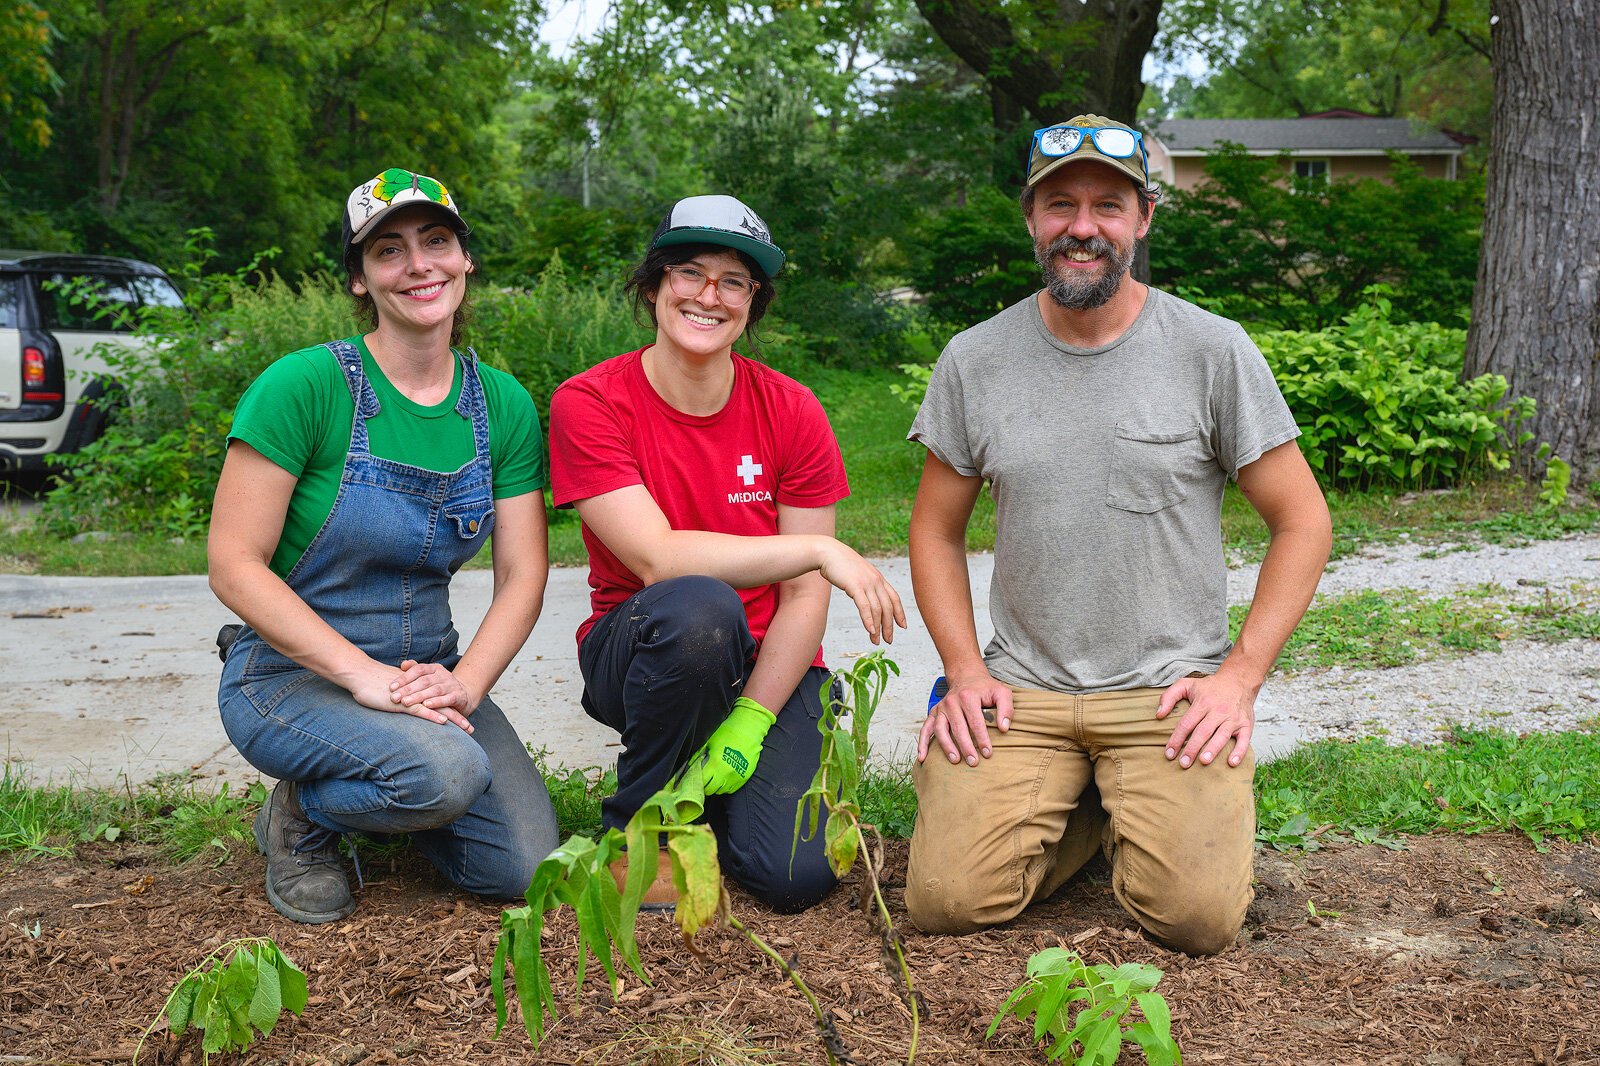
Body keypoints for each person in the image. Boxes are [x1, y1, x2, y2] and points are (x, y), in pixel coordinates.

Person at [905, 116, 1332, 954]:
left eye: (1108, 205)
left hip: (1169, 694)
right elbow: (932, 529)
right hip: (1020, 690)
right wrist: (961, 670)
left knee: (1197, 921)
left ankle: (1110, 798)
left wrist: (1238, 679)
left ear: (1142, 220)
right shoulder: (975, 359)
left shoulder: (1212, 350)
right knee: (947, 903)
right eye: (1060, 204)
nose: (1083, 227)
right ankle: (1090, 802)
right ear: (1031, 219)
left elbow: (1303, 520)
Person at [209, 167, 559, 923]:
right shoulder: (304, 386)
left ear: (465, 260)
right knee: (443, 773)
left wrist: (465, 684)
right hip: (290, 673)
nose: (419, 265)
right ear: (362, 279)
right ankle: (303, 821)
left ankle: (372, 795)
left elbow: (526, 572)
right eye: (389, 251)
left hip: (428, 674)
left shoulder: (502, 404)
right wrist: (360, 674)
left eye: (437, 242)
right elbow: (232, 565)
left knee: (524, 866)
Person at [548, 194, 906, 913]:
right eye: (689, 272)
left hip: (765, 667)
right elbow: (656, 558)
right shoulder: (590, 402)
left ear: (752, 303)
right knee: (701, 608)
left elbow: (803, 597)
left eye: (734, 282)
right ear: (653, 288)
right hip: (652, 650)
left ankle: (724, 775)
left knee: (792, 879)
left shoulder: (791, 409)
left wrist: (753, 720)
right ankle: (637, 833)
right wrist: (817, 550)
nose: (709, 296)